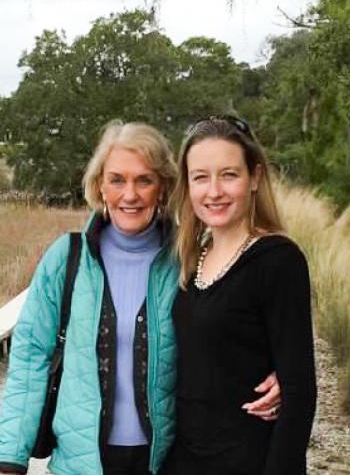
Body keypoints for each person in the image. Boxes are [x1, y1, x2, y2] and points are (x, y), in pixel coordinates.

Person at [0, 120, 282, 475]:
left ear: (163, 187)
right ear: (100, 185)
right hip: (78, 465)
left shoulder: (192, 258)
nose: (129, 195)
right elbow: (29, 358)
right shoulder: (66, 258)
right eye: (117, 179)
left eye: (144, 180)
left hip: (167, 463)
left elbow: (229, 335)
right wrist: (10, 458)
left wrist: (279, 371)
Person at [159, 116, 317, 475]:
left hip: (246, 458)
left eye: (229, 174)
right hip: (184, 458)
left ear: (255, 178)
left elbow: (300, 392)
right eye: (201, 177)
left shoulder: (278, 260)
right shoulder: (190, 257)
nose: (213, 191)